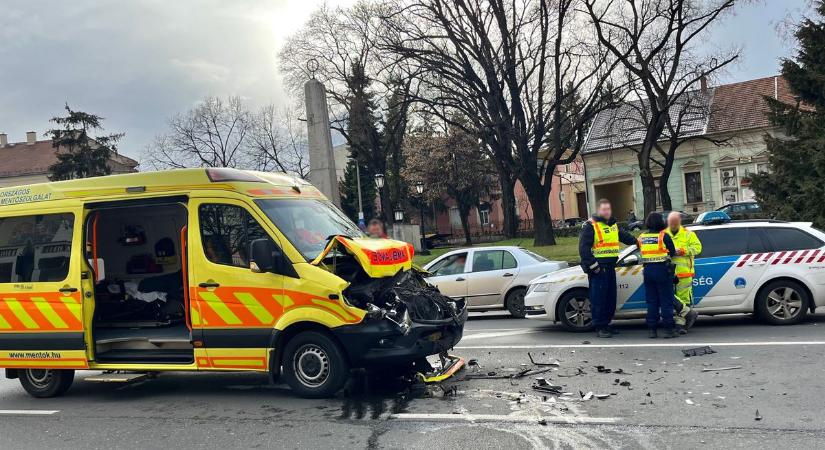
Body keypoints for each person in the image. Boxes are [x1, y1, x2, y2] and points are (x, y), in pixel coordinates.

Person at [579, 199, 637, 338]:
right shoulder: (590, 226)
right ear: (598, 210)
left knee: (610, 298)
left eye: (608, 209)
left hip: (611, 267)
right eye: (603, 209)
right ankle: (600, 327)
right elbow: (584, 249)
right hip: (598, 269)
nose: (606, 212)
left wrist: (639, 241)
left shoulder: (613, 225)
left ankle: (607, 324)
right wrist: (594, 266)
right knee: (599, 299)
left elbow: (625, 237)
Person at [638, 212, 678, 338]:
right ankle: (668, 330)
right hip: (662, 270)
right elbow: (671, 251)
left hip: (648, 271)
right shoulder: (663, 236)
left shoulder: (641, 237)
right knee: (665, 300)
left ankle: (652, 330)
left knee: (652, 301)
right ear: (661, 222)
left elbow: (640, 250)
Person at [665, 212, 702, 334]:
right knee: (669, 297)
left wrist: (682, 251)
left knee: (683, 299)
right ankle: (685, 317)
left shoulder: (688, 234)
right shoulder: (664, 234)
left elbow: (698, 248)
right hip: (669, 272)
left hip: (685, 273)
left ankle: (680, 325)